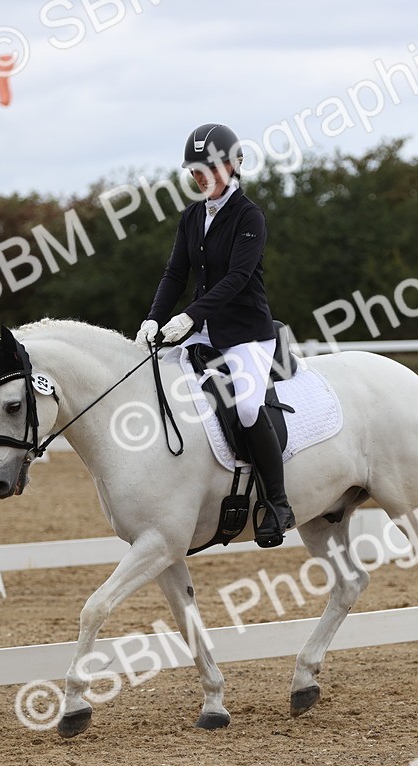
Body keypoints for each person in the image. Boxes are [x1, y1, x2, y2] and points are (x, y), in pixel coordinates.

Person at [135, 123, 295, 548]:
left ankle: (277, 504)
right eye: (195, 170)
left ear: (232, 165)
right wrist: (153, 318)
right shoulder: (191, 217)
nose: (201, 177)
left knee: (245, 408)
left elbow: (239, 278)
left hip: (246, 334)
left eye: (209, 168)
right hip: (202, 333)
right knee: (156, 386)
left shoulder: (249, 216)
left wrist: (188, 317)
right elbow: (175, 273)